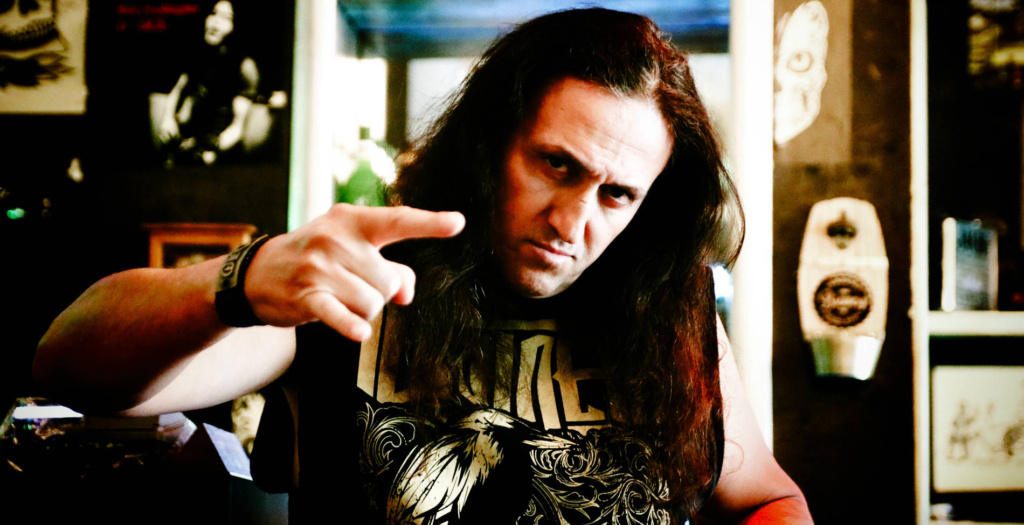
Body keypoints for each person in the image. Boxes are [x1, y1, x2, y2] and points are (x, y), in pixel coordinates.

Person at [34, 8, 813, 524]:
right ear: (489, 147)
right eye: (557, 165)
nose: (574, 222)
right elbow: (69, 366)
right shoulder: (360, 286)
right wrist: (241, 278)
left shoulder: (668, 316)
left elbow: (766, 497)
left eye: (616, 194)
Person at [156, 0, 258, 165]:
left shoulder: (244, 67)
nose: (215, 21)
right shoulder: (198, 55)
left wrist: (211, 150)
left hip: (217, 154)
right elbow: (178, 89)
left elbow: (237, 128)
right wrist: (168, 119)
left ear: (236, 26)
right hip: (188, 143)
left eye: (226, 17)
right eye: (213, 13)